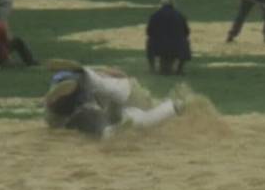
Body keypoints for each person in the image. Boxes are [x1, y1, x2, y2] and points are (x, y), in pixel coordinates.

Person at [43, 59, 186, 139]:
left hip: (117, 95)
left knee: (138, 119)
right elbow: (116, 74)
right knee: (134, 116)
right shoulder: (93, 79)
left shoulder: (88, 80)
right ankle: (172, 107)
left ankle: (172, 107)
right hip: (116, 92)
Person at [146, 0, 191, 75]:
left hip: (158, 45)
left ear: (161, 2)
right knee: (185, 41)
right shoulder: (180, 16)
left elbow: (149, 32)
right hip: (176, 46)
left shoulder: (155, 15)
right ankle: (179, 69)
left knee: (150, 40)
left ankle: (152, 68)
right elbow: (187, 32)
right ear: (173, 2)